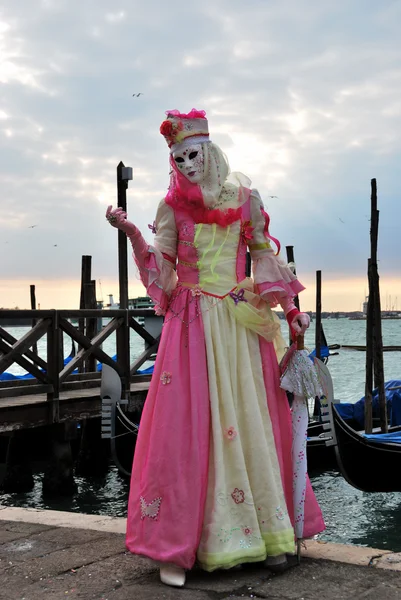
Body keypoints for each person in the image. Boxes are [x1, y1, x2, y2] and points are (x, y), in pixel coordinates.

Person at [106, 108, 324, 588]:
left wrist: (291, 313)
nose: (186, 164)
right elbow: (162, 271)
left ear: (209, 150)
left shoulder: (246, 199)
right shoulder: (170, 206)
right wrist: (133, 234)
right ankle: (178, 546)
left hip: (239, 323)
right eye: (177, 158)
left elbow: (265, 258)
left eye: (192, 154)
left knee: (252, 422)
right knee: (185, 428)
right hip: (189, 328)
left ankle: (267, 535)